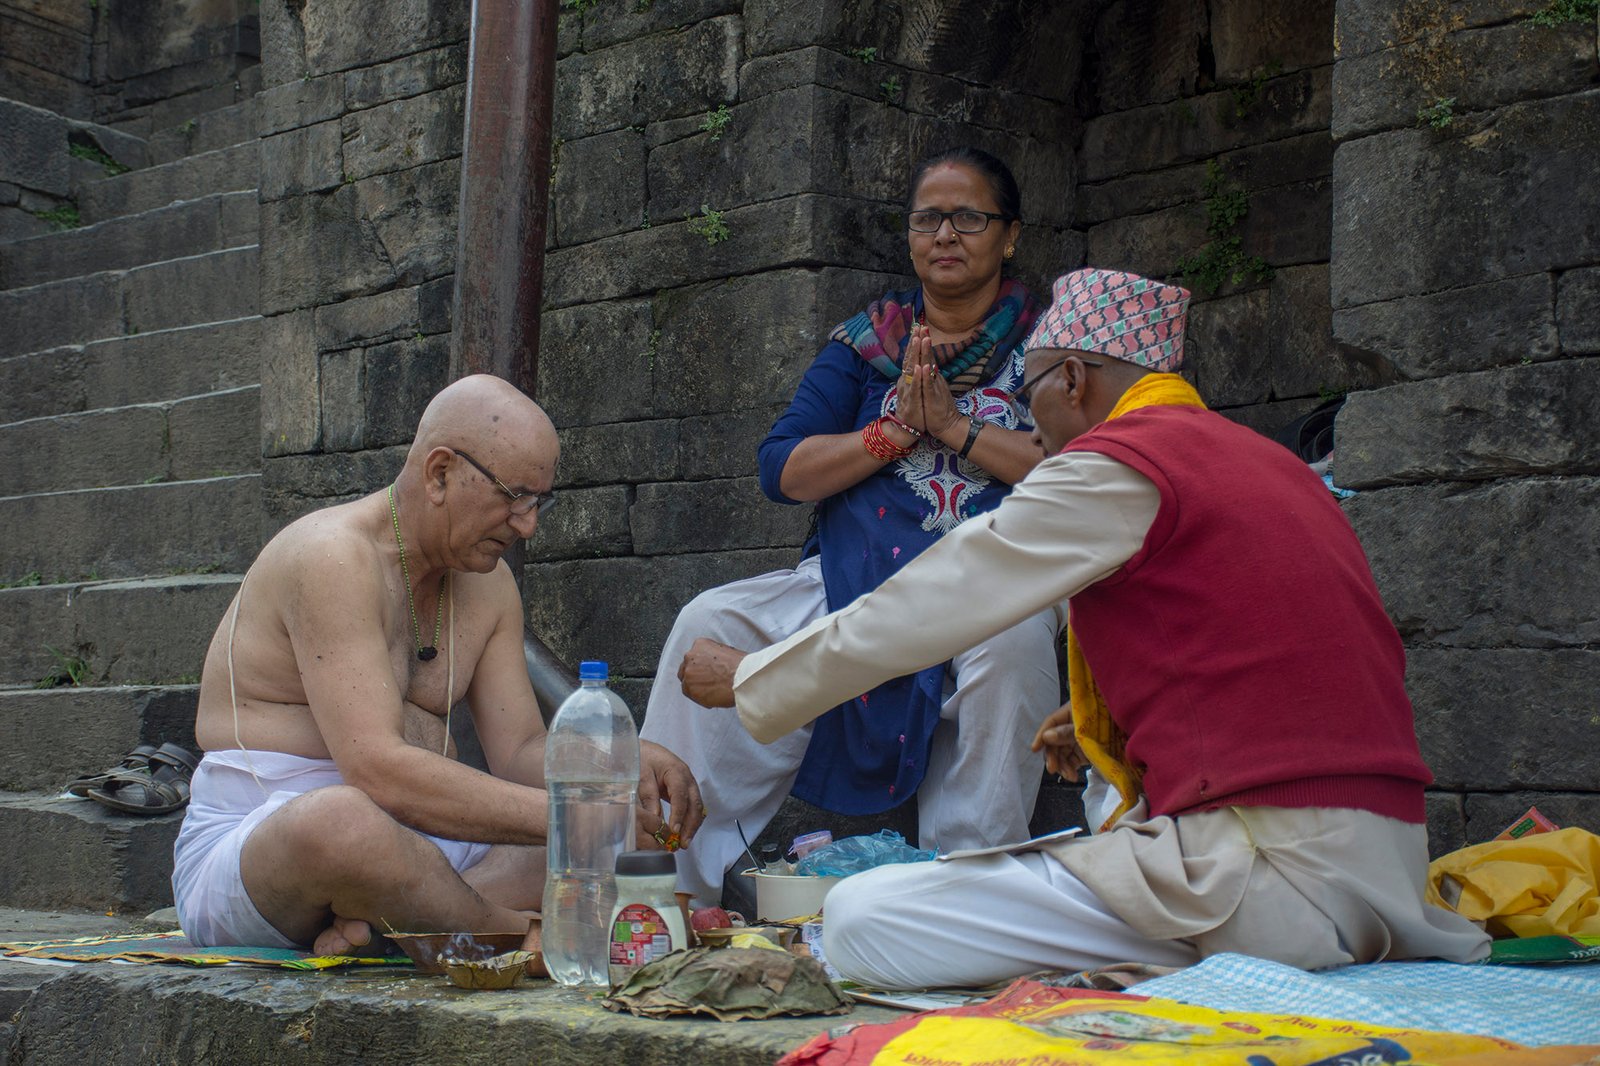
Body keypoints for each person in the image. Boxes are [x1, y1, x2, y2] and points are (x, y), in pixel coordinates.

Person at [678, 268, 1491, 989]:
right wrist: (1119, 724)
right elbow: (1260, 657)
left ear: (1071, 378)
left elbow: (933, 601)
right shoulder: (1272, 464)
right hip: (1387, 876)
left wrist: (755, 678)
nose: (1033, 436)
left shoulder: (1119, 463)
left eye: (1030, 400)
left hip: (1265, 878)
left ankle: (1181, 955)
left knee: (861, 913)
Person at [641, 147, 1067, 906]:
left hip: (998, 584)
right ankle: (670, 887)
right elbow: (783, 469)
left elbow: (1079, 469)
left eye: (969, 217)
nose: (946, 234)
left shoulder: (1053, 343)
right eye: (928, 218)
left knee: (1013, 642)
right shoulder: (870, 344)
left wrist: (958, 429)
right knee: (709, 617)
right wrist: (892, 434)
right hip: (855, 575)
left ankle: (965, 899)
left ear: (1010, 236)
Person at [172, 375, 703, 955]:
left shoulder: (489, 583)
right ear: (440, 472)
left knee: (621, 843)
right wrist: (583, 815)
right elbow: (378, 770)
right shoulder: (332, 556)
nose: (527, 525)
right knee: (343, 825)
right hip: (267, 847)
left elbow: (521, 750)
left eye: (539, 502)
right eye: (513, 496)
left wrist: (619, 765)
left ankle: (394, 922)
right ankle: (513, 934)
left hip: (422, 849)